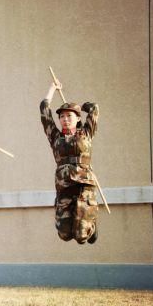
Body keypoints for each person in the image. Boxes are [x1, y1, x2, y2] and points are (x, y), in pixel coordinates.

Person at [40, 81, 100, 244]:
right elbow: (44, 112)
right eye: (62, 116)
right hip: (64, 186)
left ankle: (92, 224)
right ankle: (82, 221)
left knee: (81, 236)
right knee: (64, 234)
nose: (65, 119)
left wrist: (81, 106)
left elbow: (94, 109)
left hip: (83, 185)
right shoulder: (56, 137)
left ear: (77, 118)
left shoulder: (86, 133)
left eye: (69, 116)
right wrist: (52, 89)